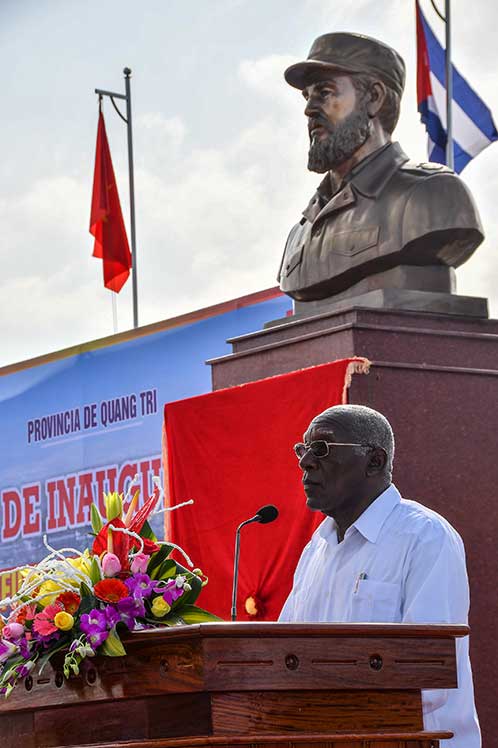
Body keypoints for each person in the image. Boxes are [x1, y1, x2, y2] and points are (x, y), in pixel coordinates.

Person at [279, 404, 480, 748]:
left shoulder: (424, 536)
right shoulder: (316, 548)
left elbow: (429, 676)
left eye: (322, 449)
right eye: (303, 449)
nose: (305, 461)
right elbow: (282, 656)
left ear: (374, 460)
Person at [277, 33, 483, 303]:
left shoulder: (434, 195)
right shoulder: (299, 234)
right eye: (307, 96)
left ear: (374, 97)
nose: (309, 109)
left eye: (325, 92)